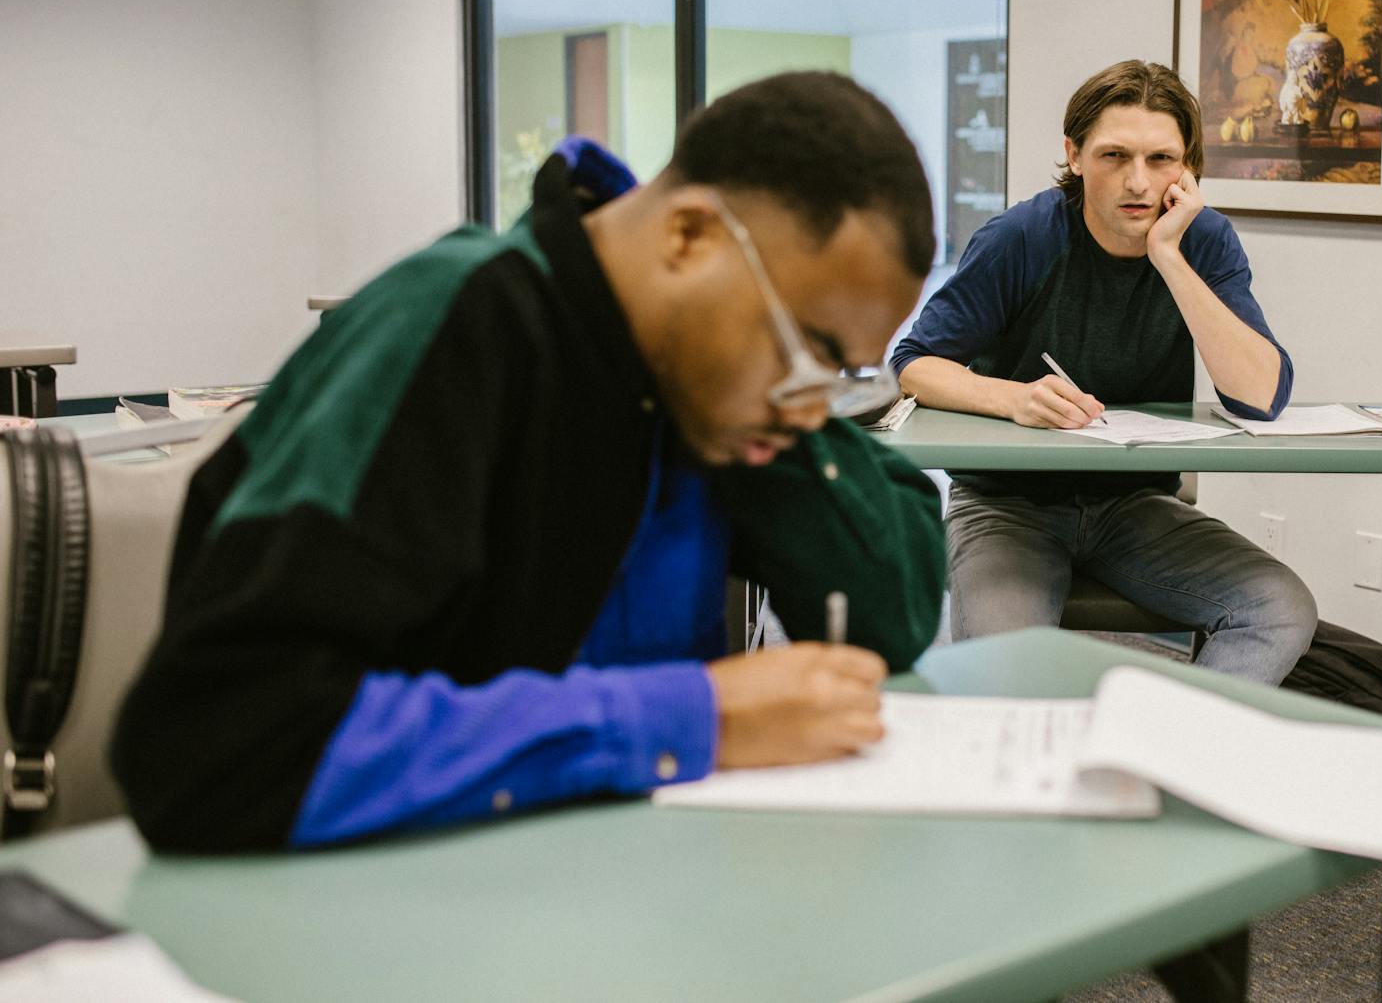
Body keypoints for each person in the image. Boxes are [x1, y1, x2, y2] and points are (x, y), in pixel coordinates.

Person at [112, 72, 946, 851]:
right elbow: (217, 739)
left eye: (838, 378)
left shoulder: (696, 387)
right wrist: (694, 718)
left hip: (608, 877)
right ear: (689, 235)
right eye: (807, 350)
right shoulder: (458, 325)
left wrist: (765, 409)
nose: (810, 410)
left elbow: (892, 613)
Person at [892, 59, 1315, 684]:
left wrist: (1168, 255)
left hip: (1134, 504)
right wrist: (1012, 398)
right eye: (1114, 155)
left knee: (1279, 608)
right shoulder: (1023, 237)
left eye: (1161, 159)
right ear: (1075, 153)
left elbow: (1259, 396)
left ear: (1187, 166)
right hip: (1008, 504)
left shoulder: (1203, 241)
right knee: (1006, 675)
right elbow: (913, 365)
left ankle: (1162, 757)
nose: (1137, 182)